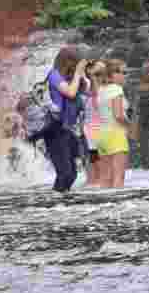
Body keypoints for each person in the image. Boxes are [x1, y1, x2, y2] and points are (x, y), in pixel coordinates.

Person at [42, 47, 90, 193]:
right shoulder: (54, 75)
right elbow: (70, 93)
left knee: (72, 174)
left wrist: (84, 75)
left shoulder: (72, 79)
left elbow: (87, 92)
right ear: (67, 61)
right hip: (54, 129)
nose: (77, 67)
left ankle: (62, 201)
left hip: (67, 129)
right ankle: (53, 203)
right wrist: (77, 73)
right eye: (75, 63)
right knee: (65, 173)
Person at [96, 59, 131, 188]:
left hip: (101, 135)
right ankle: (119, 207)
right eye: (124, 72)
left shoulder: (101, 90)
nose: (125, 76)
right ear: (113, 74)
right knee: (118, 179)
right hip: (115, 134)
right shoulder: (117, 89)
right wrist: (131, 126)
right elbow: (118, 115)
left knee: (105, 179)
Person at [82, 60, 108, 187]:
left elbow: (98, 102)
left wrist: (93, 77)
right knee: (92, 173)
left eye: (103, 72)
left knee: (100, 172)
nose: (101, 76)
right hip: (88, 135)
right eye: (98, 73)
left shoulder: (107, 89)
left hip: (100, 134)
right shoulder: (86, 89)